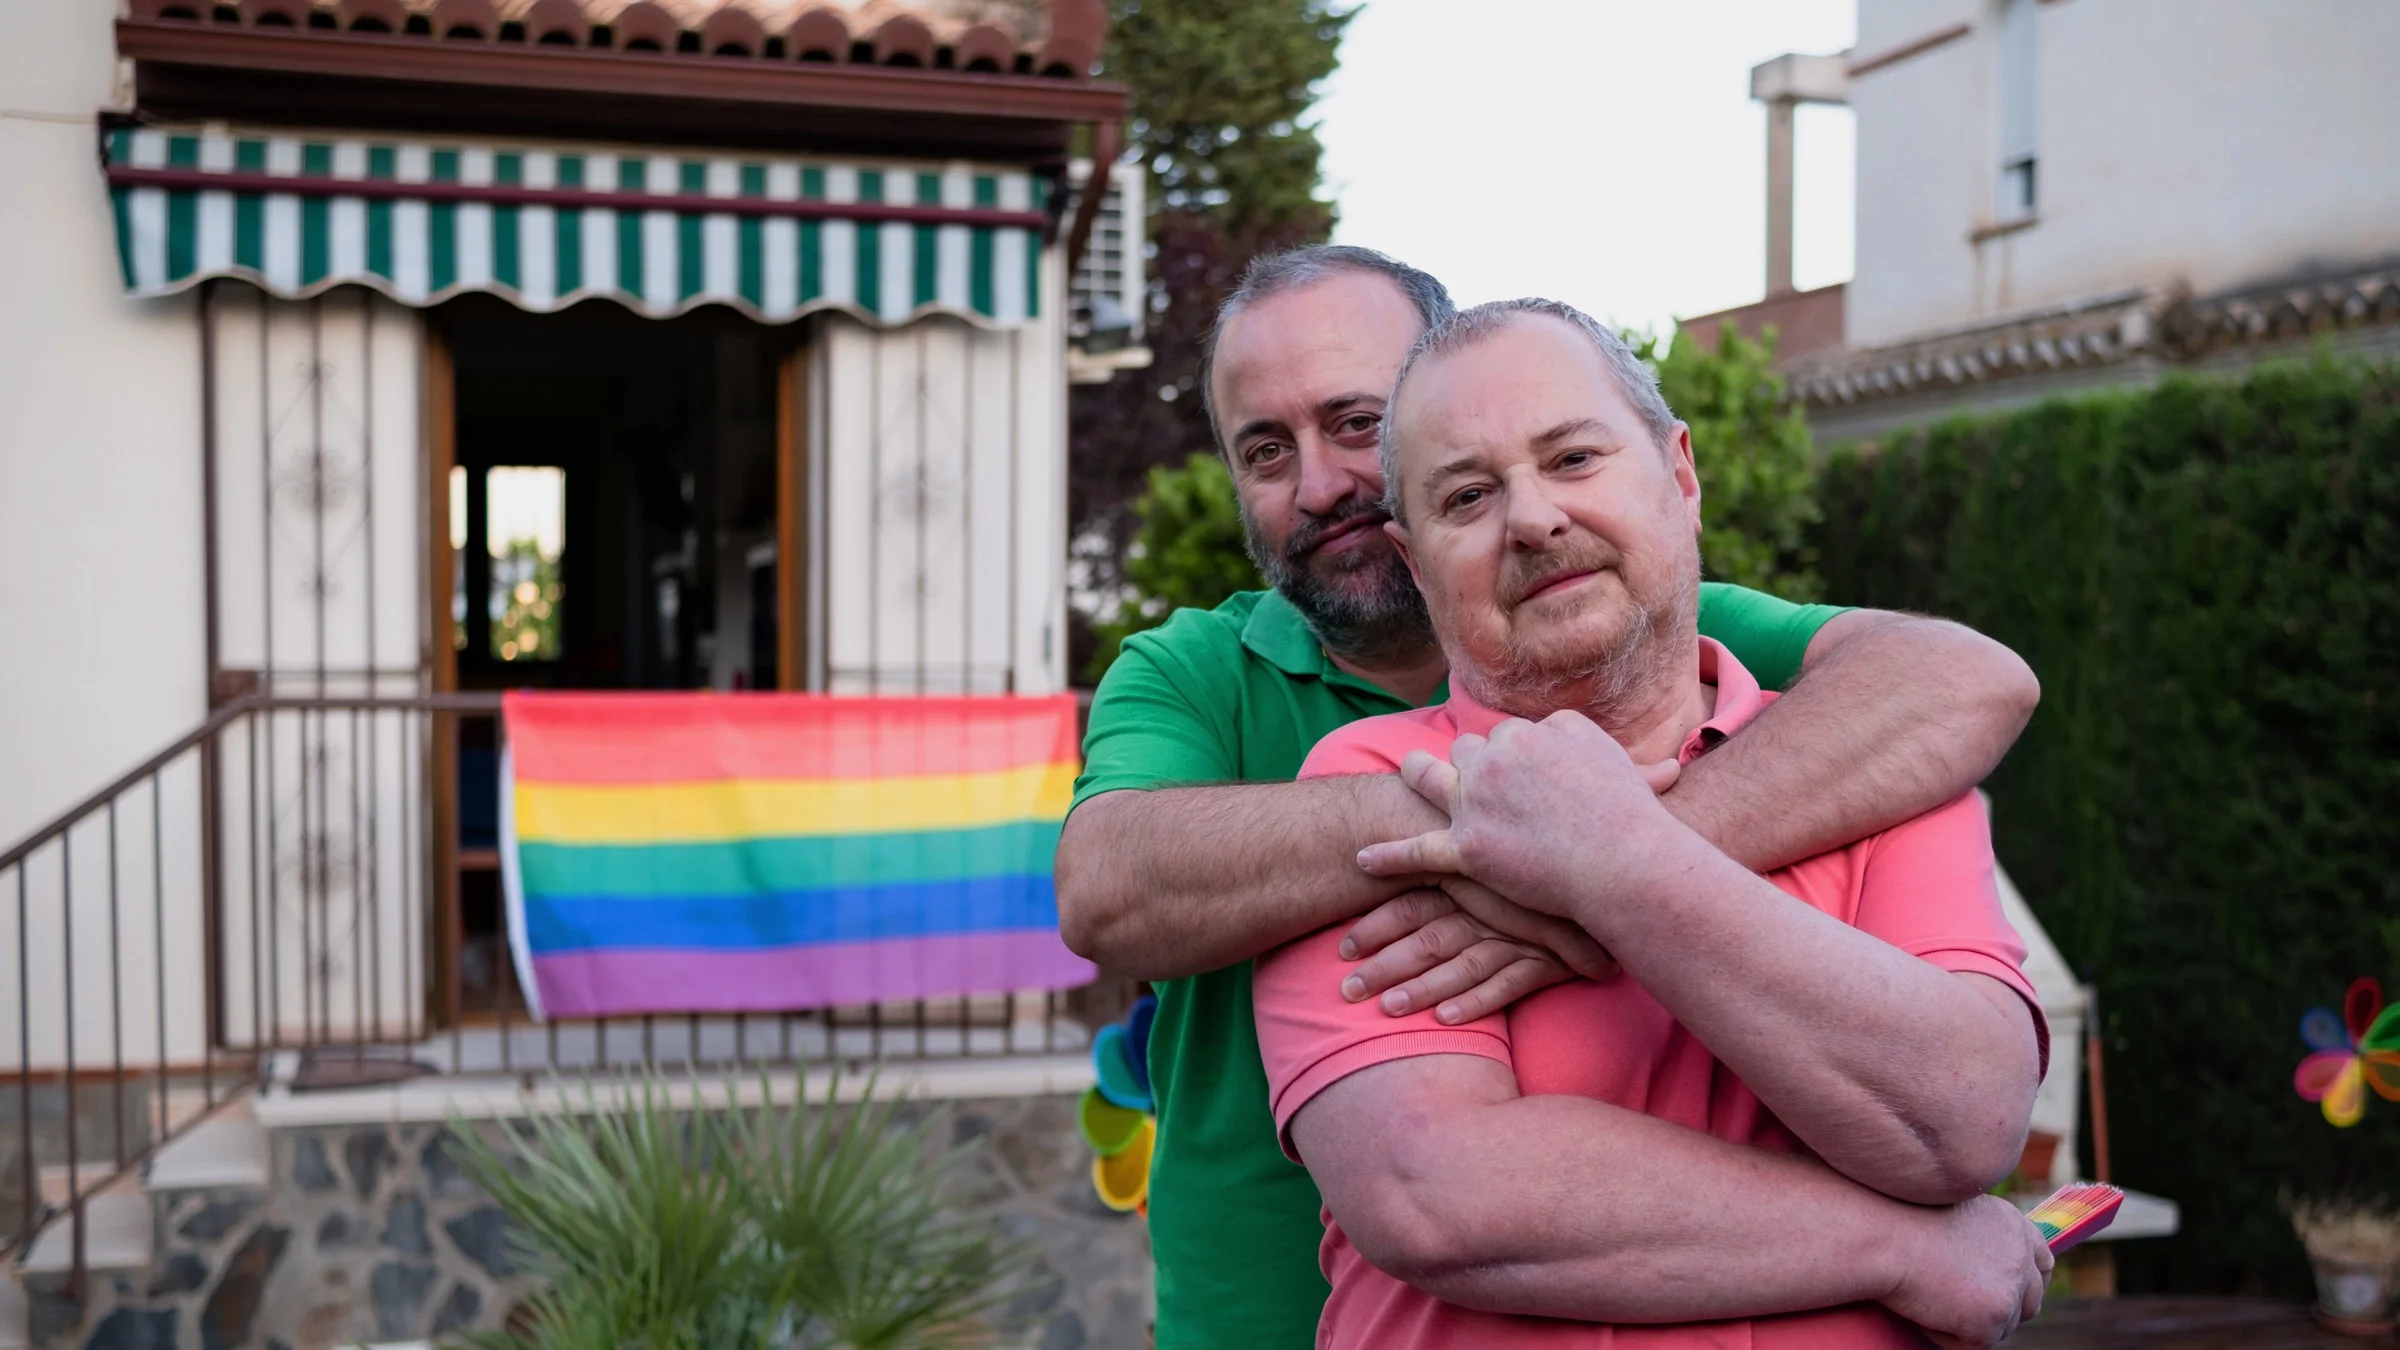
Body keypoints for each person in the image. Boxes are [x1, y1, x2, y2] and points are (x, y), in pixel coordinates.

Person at [1056, 247, 2043, 1350]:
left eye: (1353, 422)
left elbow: (1962, 683)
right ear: (1419, 546)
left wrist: (1598, 858)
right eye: (1265, 450)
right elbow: (1106, 887)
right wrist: (1486, 829)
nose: (1324, 480)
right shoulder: (1199, 674)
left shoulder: (1617, 594)